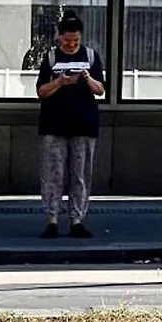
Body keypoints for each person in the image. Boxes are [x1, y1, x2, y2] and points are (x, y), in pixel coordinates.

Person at [34, 14, 105, 239]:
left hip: (83, 124)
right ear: (59, 37)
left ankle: (77, 220)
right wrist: (60, 81)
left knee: (80, 174)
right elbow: (41, 91)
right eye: (67, 41)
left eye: (75, 41)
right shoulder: (51, 57)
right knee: (52, 173)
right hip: (53, 124)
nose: (72, 45)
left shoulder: (91, 56)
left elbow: (100, 90)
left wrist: (86, 78)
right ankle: (52, 219)